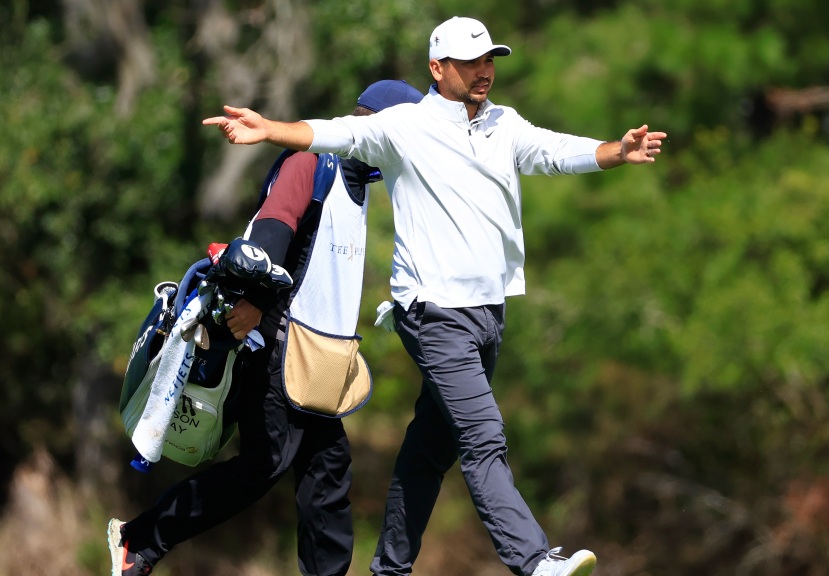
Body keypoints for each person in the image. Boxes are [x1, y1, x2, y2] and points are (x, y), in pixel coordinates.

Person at [202, 15, 667, 576]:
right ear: (437, 68)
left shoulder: (503, 124)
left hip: (489, 313)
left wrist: (616, 150)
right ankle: (533, 559)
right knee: (482, 434)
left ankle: (390, 569)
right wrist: (270, 128)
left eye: (489, 60)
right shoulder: (405, 126)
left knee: (430, 451)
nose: (484, 72)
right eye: (470, 63)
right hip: (434, 313)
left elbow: (553, 150)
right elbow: (334, 132)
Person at [108, 79, 425, 576]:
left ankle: (143, 543)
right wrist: (256, 298)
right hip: (277, 341)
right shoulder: (313, 161)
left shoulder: (358, 181)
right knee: (267, 464)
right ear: (379, 127)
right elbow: (274, 227)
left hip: (316, 358)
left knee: (327, 474)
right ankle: (140, 541)